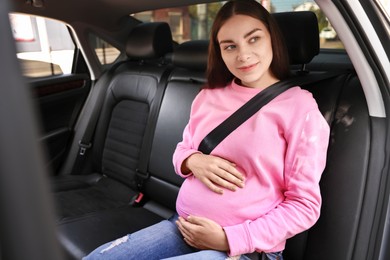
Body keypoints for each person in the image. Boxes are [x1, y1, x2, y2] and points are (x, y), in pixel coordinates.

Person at [83, 0, 330, 259]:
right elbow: (182, 150)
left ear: (272, 39)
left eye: (254, 39)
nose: (243, 55)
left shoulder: (299, 107)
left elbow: (305, 206)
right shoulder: (208, 97)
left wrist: (229, 239)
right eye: (230, 46)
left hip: (245, 249)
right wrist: (193, 160)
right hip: (183, 226)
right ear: (220, 52)